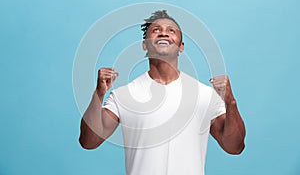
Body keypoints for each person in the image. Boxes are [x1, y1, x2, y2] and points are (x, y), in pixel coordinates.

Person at [79, 10, 246, 175]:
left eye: (171, 30)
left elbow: (235, 147)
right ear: (145, 44)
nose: (163, 33)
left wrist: (230, 102)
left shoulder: (204, 95)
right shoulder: (124, 95)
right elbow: (88, 142)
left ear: (181, 46)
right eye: (156, 30)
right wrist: (98, 94)